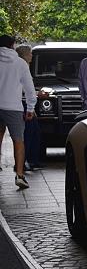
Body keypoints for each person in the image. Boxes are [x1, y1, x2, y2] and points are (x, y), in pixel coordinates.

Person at [0, 35, 37, 189]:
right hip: (13, 107)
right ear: (12, 45)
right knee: (18, 141)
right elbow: (29, 88)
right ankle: (20, 175)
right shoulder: (20, 63)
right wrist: (30, 107)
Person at [15, 45, 43, 171]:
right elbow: (24, 89)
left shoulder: (23, 66)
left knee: (34, 132)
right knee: (28, 134)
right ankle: (23, 162)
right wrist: (37, 95)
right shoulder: (22, 66)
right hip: (23, 103)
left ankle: (33, 160)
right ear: (25, 54)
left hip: (26, 103)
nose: (32, 55)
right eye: (30, 53)